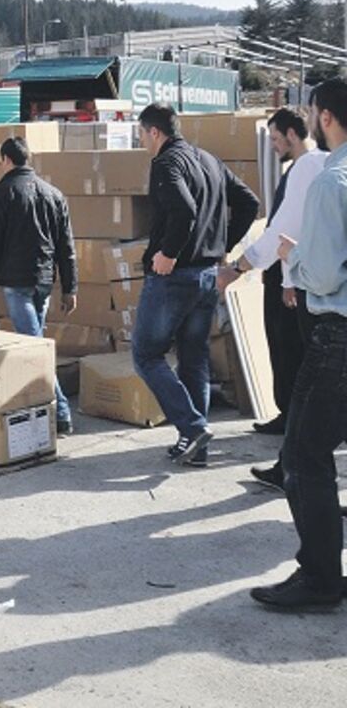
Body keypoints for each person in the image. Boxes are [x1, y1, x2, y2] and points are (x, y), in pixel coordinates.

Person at [250, 76, 347, 612]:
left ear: (324, 117)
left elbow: (325, 276)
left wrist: (295, 259)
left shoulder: (331, 182)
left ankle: (320, 578)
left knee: (303, 455)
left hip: (337, 334)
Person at [132, 102, 259, 466]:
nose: (142, 142)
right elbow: (249, 203)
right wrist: (222, 245)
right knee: (194, 357)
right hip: (206, 276)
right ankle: (196, 447)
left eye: (141, 135)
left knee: (146, 355)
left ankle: (192, 427)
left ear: (155, 132)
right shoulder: (208, 160)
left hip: (174, 277)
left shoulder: (166, 163)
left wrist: (169, 252)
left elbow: (184, 210)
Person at [216, 108, 327, 486]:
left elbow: (284, 230)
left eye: (277, 139)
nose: (275, 146)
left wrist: (237, 268)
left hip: (309, 283)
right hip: (305, 278)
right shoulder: (321, 166)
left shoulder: (309, 167)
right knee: (302, 369)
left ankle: (294, 468)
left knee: (306, 375)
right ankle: (292, 457)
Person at [0, 136, 78, 434]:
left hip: (16, 283)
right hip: (44, 280)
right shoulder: (53, 194)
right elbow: (66, 246)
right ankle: (42, 409)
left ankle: (61, 413)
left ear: (6, 159)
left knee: (33, 347)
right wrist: (70, 287)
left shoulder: (1, 194)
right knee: (35, 341)